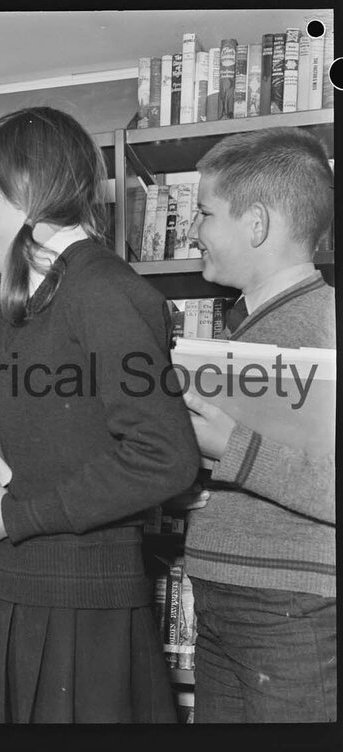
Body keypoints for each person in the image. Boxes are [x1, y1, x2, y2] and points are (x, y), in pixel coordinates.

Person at [0, 107, 199, 723]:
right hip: (10, 587)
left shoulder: (103, 292)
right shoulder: (6, 306)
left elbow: (166, 459)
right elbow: (6, 446)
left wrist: (13, 515)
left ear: (21, 193)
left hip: (78, 604)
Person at [181, 127, 335, 723]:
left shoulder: (324, 325)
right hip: (226, 598)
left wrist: (231, 448)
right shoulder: (247, 334)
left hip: (288, 612)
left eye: (204, 213)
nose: (194, 231)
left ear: (257, 225)